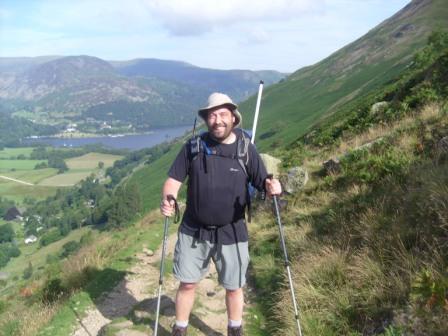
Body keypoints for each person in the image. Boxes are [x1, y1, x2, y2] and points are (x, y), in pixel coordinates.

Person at [160, 92, 282, 336]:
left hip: (232, 230)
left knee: (234, 287)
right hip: (194, 229)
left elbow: (263, 182)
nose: (218, 120)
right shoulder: (193, 147)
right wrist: (169, 200)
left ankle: (234, 329)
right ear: (206, 119)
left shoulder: (246, 149)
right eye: (212, 115)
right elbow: (173, 180)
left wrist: (273, 187)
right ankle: (180, 328)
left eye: (223, 114)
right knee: (187, 283)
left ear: (233, 118)